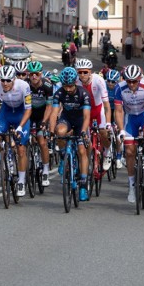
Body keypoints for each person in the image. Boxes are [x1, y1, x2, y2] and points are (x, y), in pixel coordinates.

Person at [0, 65, 32, 197]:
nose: (5, 83)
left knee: (21, 148)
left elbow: (28, 109)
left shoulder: (24, 86)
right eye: (2, 80)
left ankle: (21, 180)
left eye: (8, 80)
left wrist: (20, 127)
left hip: (21, 113)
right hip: (6, 112)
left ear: (14, 79)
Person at [114, 65, 144, 203]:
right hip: (130, 118)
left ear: (140, 79)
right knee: (129, 151)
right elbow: (118, 111)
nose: (131, 84)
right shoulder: (120, 88)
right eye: (128, 81)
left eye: (134, 81)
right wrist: (121, 129)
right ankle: (132, 185)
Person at [49, 67, 92, 201]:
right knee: (60, 132)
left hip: (80, 122)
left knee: (82, 151)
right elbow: (54, 113)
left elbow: (86, 117)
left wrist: (84, 131)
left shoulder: (83, 93)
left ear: (75, 82)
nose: (67, 89)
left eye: (70, 86)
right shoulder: (59, 93)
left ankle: (84, 185)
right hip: (66, 119)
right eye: (65, 86)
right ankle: (63, 158)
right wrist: (51, 132)